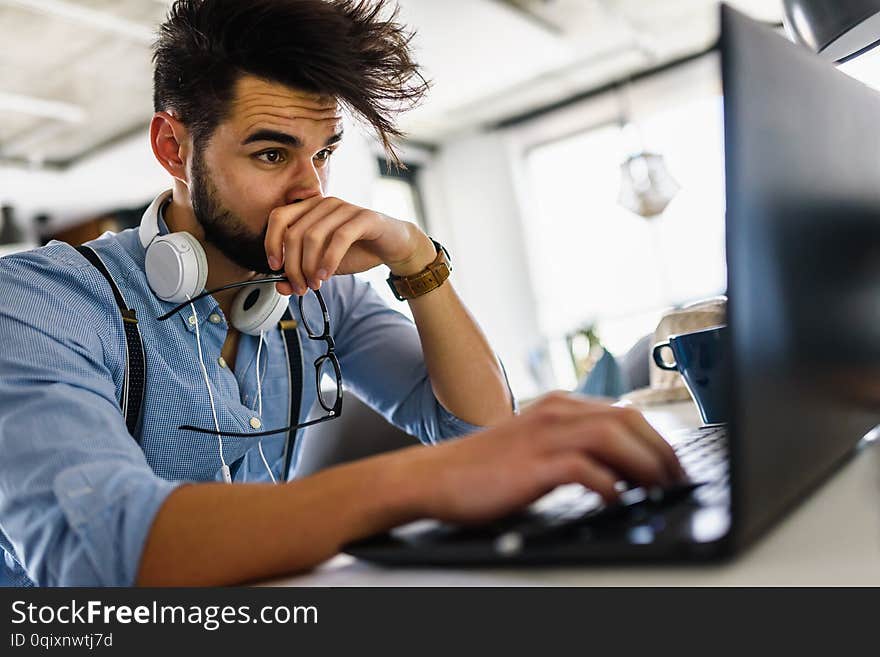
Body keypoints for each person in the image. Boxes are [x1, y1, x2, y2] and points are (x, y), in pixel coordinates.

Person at [0, 0, 684, 587]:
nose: (311, 190)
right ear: (173, 149)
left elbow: (480, 427)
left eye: (322, 152)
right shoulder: (37, 303)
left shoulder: (317, 294)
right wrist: (426, 481)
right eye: (271, 154)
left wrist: (413, 252)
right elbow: (104, 556)